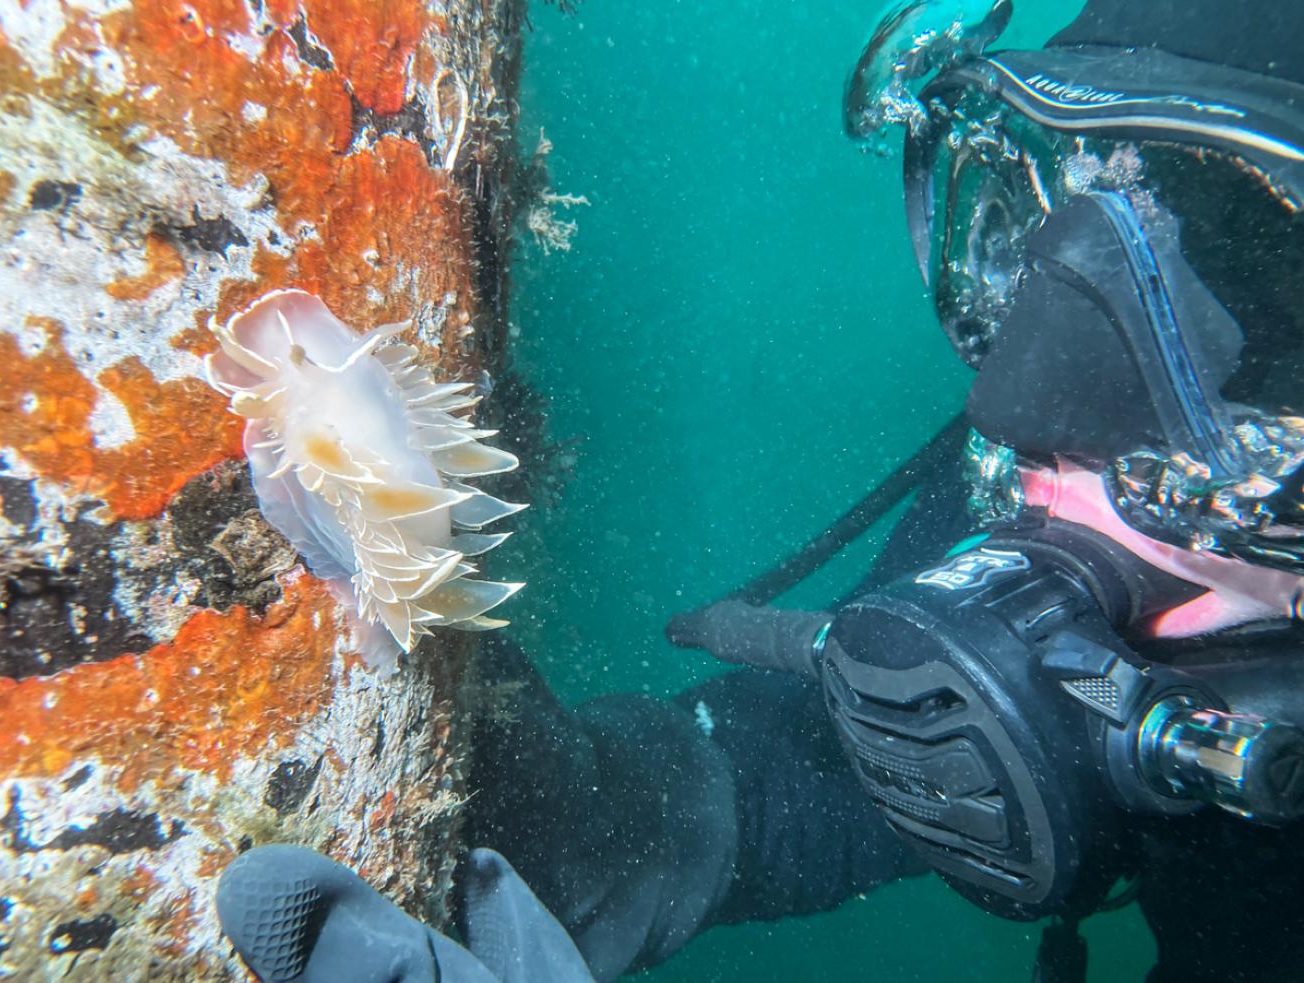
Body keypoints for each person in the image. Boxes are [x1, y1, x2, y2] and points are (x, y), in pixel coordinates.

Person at [215, 1, 1304, 981]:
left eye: (1257, 296)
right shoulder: (1046, 501)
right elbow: (820, 778)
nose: (1018, 405)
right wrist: (599, 822)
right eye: (1020, 231)